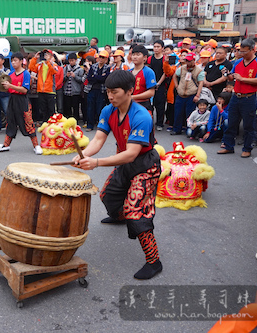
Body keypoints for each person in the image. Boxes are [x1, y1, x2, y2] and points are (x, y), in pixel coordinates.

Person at [71, 70, 162, 280]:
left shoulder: (141, 115)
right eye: (108, 92)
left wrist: (95, 163)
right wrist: (83, 155)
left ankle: (154, 261)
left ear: (130, 91)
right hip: (124, 161)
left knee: (136, 212)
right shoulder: (108, 110)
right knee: (107, 195)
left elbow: (131, 154)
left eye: (115, 92)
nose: (110, 96)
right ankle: (121, 217)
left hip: (145, 166)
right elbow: (98, 140)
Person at [218, 38, 257, 158]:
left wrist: (242, 79)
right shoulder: (238, 62)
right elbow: (232, 78)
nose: (242, 54)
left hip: (249, 98)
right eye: (240, 52)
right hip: (236, 96)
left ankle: (247, 148)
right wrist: (227, 74)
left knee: (248, 125)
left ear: (252, 50)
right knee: (231, 123)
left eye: (245, 52)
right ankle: (228, 146)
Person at [0, 52, 43, 155]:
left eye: (16, 60)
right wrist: (2, 87)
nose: (13, 63)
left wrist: (10, 86)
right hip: (12, 100)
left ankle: (36, 145)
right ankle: (6, 145)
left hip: (22, 100)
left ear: (21, 61)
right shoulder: (10, 74)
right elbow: (8, 89)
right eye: (12, 61)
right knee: (10, 122)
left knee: (28, 122)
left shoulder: (26, 74)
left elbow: (24, 90)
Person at [171, 52, 204, 135]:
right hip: (181, 94)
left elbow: (200, 83)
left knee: (190, 114)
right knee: (178, 112)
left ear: (194, 60)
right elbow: (175, 75)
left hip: (191, 94)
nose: (188, 62)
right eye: (187, 61)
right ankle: (176, 129)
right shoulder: (182, 68)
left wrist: (197, 95)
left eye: (189, 61)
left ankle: (189, 130)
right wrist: (177, 86)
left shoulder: (199, 71)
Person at [28, 49, 59, 122]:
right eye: (45, 54)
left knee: (51, 109)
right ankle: (45, 124)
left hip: (50, 91)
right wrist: (35, 58)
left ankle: (52, 124)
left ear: (51, 56)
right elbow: (31, 68)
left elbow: (54, 71)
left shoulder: (53, 64)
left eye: (48, 54)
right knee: (43, 109)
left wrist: (48, 62)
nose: (46, 56)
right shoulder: (40, 64)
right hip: (41, 90)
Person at [84, 50, 110, 131]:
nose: (101, 59)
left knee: (100, 109)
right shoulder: (93, 66)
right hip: (91, 89)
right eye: (100, 57)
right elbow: (89, 78)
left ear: (106, 59)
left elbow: (105, 79)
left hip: (101, 91)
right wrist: (99, 77)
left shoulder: (107, 68)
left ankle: (100, 125)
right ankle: (90, 125)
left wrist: (95, 76)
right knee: (90, 108)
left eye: (103, 57)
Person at [147, 40, 167, 131]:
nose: (156, 48)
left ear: (162, 48)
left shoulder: (165, 59)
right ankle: (149, 122)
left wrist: (158, 83)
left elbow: (165, 73)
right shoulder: (150, 58)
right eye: (154, 47)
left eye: (158, 47)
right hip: (150, 85)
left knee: (160, 105)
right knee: (150, 105)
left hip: (161, 85)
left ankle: (159, 123)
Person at [130, 45, 156, 113]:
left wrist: (133, 97)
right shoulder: (128, 72)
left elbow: (151, 92)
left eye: (138, 55)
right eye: (133, 55)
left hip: (143, 105)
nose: (135, 57)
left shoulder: (148, 72)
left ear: (145, 57)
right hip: (129, 104)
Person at [63, 52, 84, 120]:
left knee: (76, 108)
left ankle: (76, 121)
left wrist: (75, 76)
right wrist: (66, 76)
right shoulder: (65, 68)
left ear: (76, 60)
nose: (71, 62)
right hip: (67, 92)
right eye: (70, 60)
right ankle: (68, 121)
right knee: (67, 108)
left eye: (72, 60)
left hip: (76, 92)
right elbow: (62, 79)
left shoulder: (80, 69)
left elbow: (82, 80)